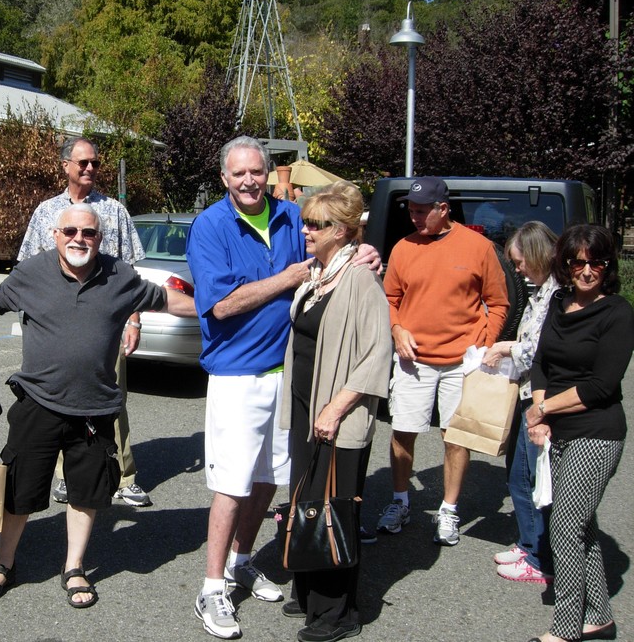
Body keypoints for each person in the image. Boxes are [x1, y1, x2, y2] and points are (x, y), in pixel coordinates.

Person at [185, 136, 380, 640]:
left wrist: (365, 252)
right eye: (239, 173)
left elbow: (334, 237)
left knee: (270, 478)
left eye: (257, 172)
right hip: (238, 376)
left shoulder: (292, 216)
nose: (249, 181)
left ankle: (242, 560)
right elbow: (222, 305)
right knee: (232, 485)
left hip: (289, 375)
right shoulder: (210, 226)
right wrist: (289, 277)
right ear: (224, 178)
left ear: (268, 173)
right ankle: (211, 587)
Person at [0, 204, 195, 609]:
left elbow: (167, 300)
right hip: (38, 403)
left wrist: (220, 308)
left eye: (89, 233)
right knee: (19, 490)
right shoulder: (30, 273)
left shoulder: (119, 275)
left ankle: (74, 567)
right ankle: (3, 562)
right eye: (71, 231)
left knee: (86, 494)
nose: (79, 239)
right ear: (55, 235)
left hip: (95, 409)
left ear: (100, 238)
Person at [280, 182, 392, 642]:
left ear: (342, 231)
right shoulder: (317, 273)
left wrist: (336, 408)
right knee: (305, 500)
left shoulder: (360, 279)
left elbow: (377, 353)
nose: (306, 230)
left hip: (338, 414)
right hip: (306, 408)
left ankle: (337, 613)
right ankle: (310, 591)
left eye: (316, 224)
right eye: (305, 222)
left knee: (333, 506)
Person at [17, 137, 151, 508]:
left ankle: (123, 476)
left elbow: (129, 274)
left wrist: (134, 320)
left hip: (106, 326)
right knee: (56, 399)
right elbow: (28, 270)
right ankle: (65, 476)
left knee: (113, 397)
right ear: (65, 166)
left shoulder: (114, 211)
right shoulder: (47, 212)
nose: (90, 168)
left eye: (95, 162)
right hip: (54, 327)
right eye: (83, 162)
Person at [377, 176, 509, 546]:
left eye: (422, 212)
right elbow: (389, 298)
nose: (415, 218)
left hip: (461, 362)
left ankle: (449, 510)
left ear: (443, 209)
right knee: (403, 431)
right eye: (411, 211)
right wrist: (397, 330)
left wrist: (484, 346)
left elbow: (499, 302)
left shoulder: (478, 247)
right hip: (414, 360)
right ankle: (400, 501)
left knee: (455, 436)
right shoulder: (403, 247)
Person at [524, 224, 633, 642]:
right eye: (577, 262)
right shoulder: (558, 301)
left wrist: (543, 409)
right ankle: (599, 618)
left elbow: (601, 387)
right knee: (581, 527)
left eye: (597, 262)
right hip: (557, 430)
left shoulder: (618, 312)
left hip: (597, 433)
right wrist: (541, 415)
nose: (587, 271)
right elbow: (541, 363)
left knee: (566, 525)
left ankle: (566, 628)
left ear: (608, 266)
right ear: (565, 265)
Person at [482, 222, 559, 585]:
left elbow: (538, 349)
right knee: (518, 473)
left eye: (519, 261)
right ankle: (529, 543)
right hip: (528, 392)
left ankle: (539, 556)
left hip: (541, 398)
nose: (517, 269)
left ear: (537, 254)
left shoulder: (556, 294)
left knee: (531, 478)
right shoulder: (542, 291)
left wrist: (504, 347)